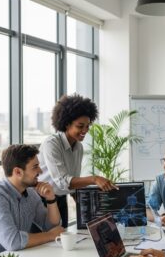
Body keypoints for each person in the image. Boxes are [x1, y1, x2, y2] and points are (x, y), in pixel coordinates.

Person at [38, 94, 117, 227]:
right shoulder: (51, 144)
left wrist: (85, 209)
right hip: (43, 200)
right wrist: (94, 179)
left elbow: (72, 181)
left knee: (62, 235)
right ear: (67, 124)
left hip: (61, 198)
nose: (85, 131)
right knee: (47, 240)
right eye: (80, 126)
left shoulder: (78, 147)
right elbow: (63, 181)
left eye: (87, 126)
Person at [0, 145, 64, 255]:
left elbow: (52, 226)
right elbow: (13, 242)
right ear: (18, 172)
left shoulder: (30, 193)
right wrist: (51, 235)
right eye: (35, 167)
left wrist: (51, 199)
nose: (40, 170)